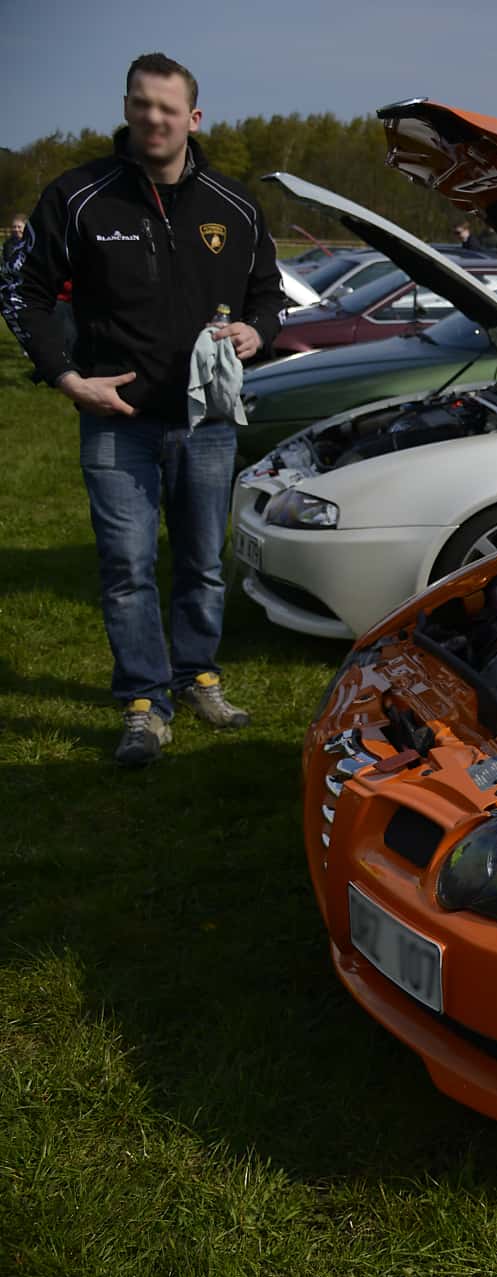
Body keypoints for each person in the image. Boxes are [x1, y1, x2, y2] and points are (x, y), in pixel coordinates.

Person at [5, 52, 282, 766]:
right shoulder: (78, 197)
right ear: (127, 110)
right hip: (114, 418)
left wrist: (260, 330)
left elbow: (267, 292)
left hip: (207, 421)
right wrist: (69, 380)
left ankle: (197, 677)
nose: (152, 118)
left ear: (193, 118)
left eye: (167, 107)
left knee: (202, 561)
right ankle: (142, 701)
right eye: (141, 104)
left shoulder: (235, 205)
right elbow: (29, 295)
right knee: (126, 565)